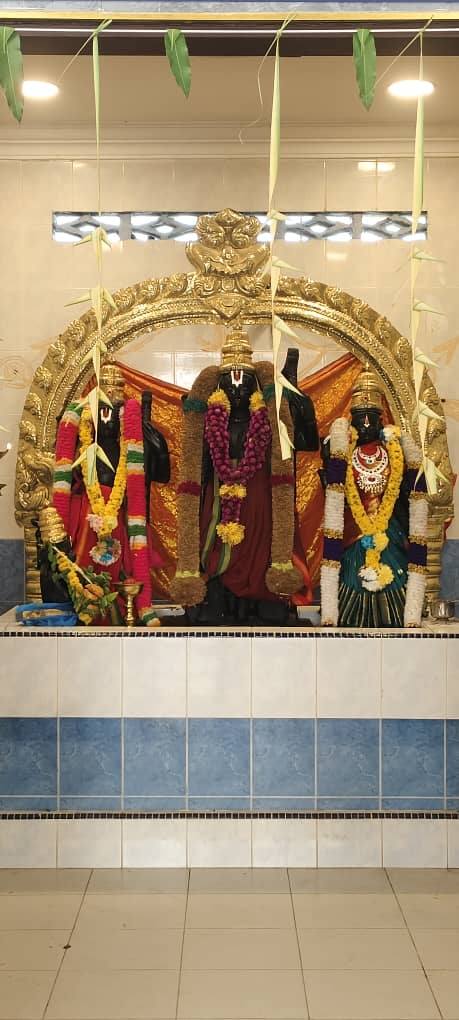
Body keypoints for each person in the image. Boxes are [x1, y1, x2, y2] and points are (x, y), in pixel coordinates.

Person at [171, 327, 319, 624]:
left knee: (259, 550)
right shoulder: (209, 420)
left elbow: (307, 442)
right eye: (230, 381)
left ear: (255, 387)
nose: (237, 389)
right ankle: (220, 598)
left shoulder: (270, 419)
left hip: (260, 499)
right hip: (219, 500)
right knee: (217, 550)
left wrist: (298, 400)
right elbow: (196, 466)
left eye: (244, 381)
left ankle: (260, 600)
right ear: (219, 387)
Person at [51, 361, 170, 626]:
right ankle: (85, 605)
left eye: (114, 413)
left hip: (120, 517)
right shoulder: (82, 448)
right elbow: (65, 479)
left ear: (124, 418)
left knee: (121, 566)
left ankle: (119, 609)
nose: (107, 421)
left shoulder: (131, 447)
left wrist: (153, 440)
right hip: (86, 517)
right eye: (101, 412)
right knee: (82, 563)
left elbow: (162, 475)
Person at [320, 368, 428, 628]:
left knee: (395, 580)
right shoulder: (342, 451)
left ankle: (399, 616)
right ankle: (345, 617)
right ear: (351, 420)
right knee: (350, 577)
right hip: (353, 532)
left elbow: (406, 492)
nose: (366, 423)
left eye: (371, 417)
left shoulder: (394, 451)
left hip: (390, 531)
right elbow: (335, 493)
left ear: (382, 420)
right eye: (360, 417)